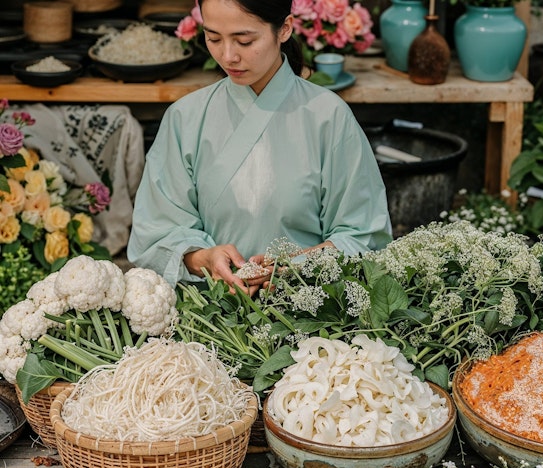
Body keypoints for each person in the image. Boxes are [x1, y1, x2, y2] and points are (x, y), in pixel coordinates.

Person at [127, 0, 392, 295]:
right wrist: (203, 258)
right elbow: (157, 232)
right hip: (207, 311)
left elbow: (362, 235)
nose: (228, 56)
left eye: (244, 40)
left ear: (285, 29)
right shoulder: (185, 117)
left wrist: (298, 266)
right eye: (213, 38)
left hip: (310, 310)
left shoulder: (328, 116)